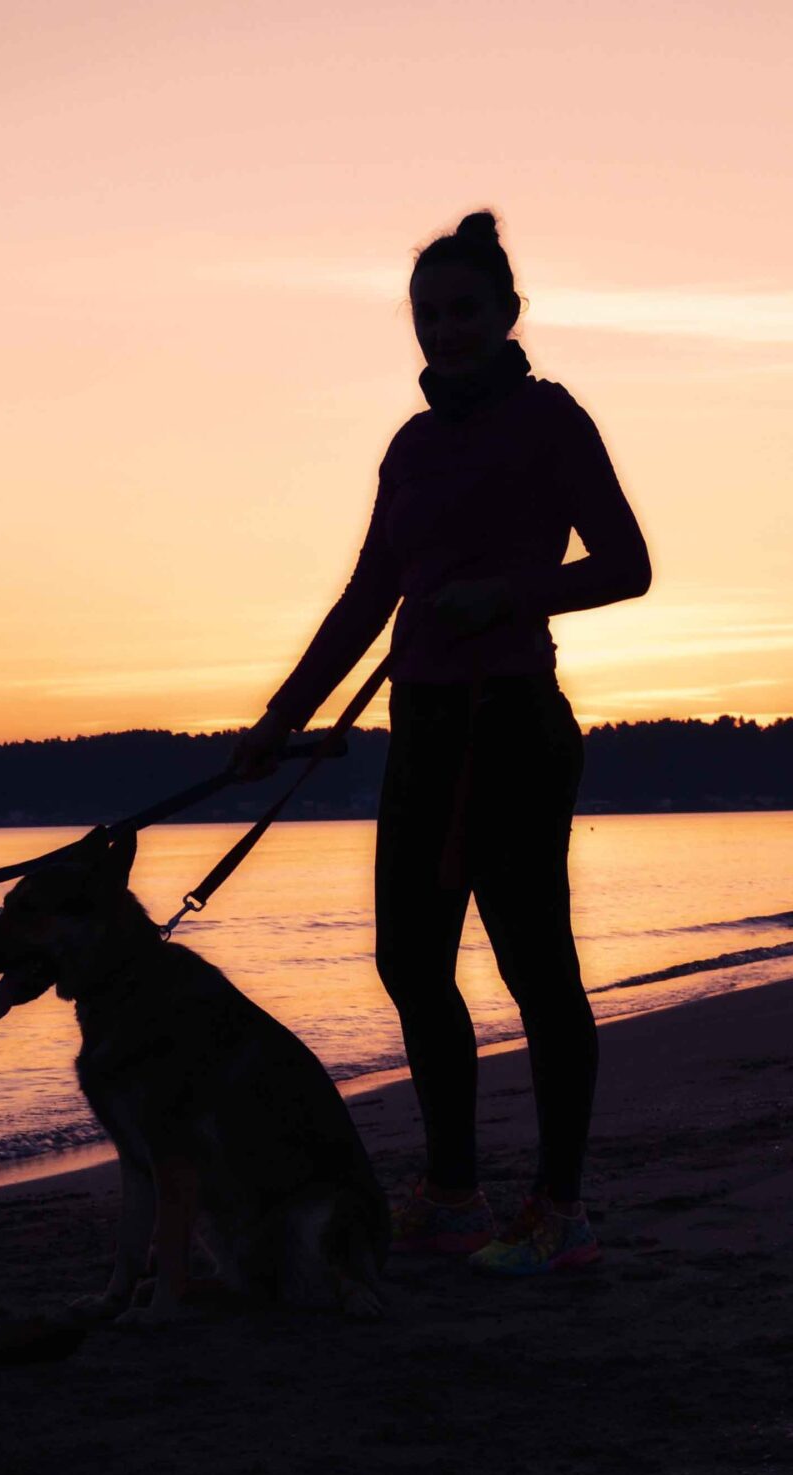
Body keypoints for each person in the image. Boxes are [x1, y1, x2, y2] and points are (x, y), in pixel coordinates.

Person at [233, 208, 651, 1274]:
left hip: (511, 716)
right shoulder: (411, 444)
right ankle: (454, 1194)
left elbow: (627, 566)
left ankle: (559, 1210)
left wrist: (505, 594)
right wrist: (282, 716)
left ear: (508, 314)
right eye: (426, 315)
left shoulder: (551, 420)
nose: (444, 330)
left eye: (463, 310)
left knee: (533, 965)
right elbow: (369, 592)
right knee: (409, 962)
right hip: (417, 724)